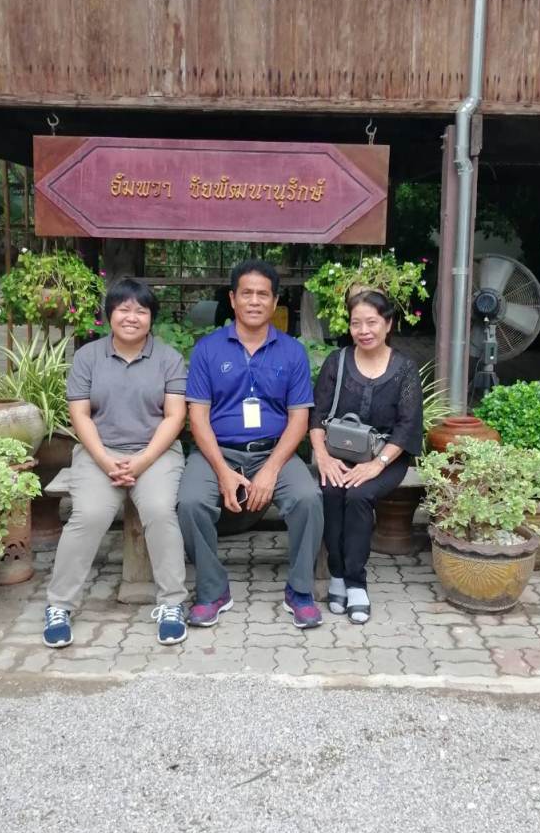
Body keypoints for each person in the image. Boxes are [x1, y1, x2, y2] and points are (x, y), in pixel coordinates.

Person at [43, 277, 189, 649]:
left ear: (151, 318)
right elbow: (80, 416)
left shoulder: (168, 359)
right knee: (89, 515)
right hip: (99, 453)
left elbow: (174, 417)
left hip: (155, 454)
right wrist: (106, 460)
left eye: (141, 311)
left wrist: (141, 461)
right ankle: (59, 605)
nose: (132, 317)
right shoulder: (88, 357)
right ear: (109, 314)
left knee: (159, 510)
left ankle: (172, 604)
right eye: (123, 309)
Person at [177, 259, 324, 629]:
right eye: (247, 293)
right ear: (232, 299)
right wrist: (223, 472)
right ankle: (212, 590)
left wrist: (271, 470)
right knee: (190, 502)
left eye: (263, 294)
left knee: (308, 499)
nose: (254, 301)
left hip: (274, 451)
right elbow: (197, 418)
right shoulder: (207, 349)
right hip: (217, 451)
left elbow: (299, 419)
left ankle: (300, 591)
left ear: (274, 302)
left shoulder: (292, 351)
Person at [309, 290, 423, 624]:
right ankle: (337, 575)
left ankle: (356, 583)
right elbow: (316, 416)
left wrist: (376, 464)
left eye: (371, 322)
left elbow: (407, 425)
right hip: (338, 453)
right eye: (356, 323)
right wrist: (323, 457)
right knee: (332, 491)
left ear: (388, 323)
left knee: (358, 495)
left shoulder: (404, 369)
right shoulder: (337, 361)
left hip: (387, 457)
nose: (364, 330)